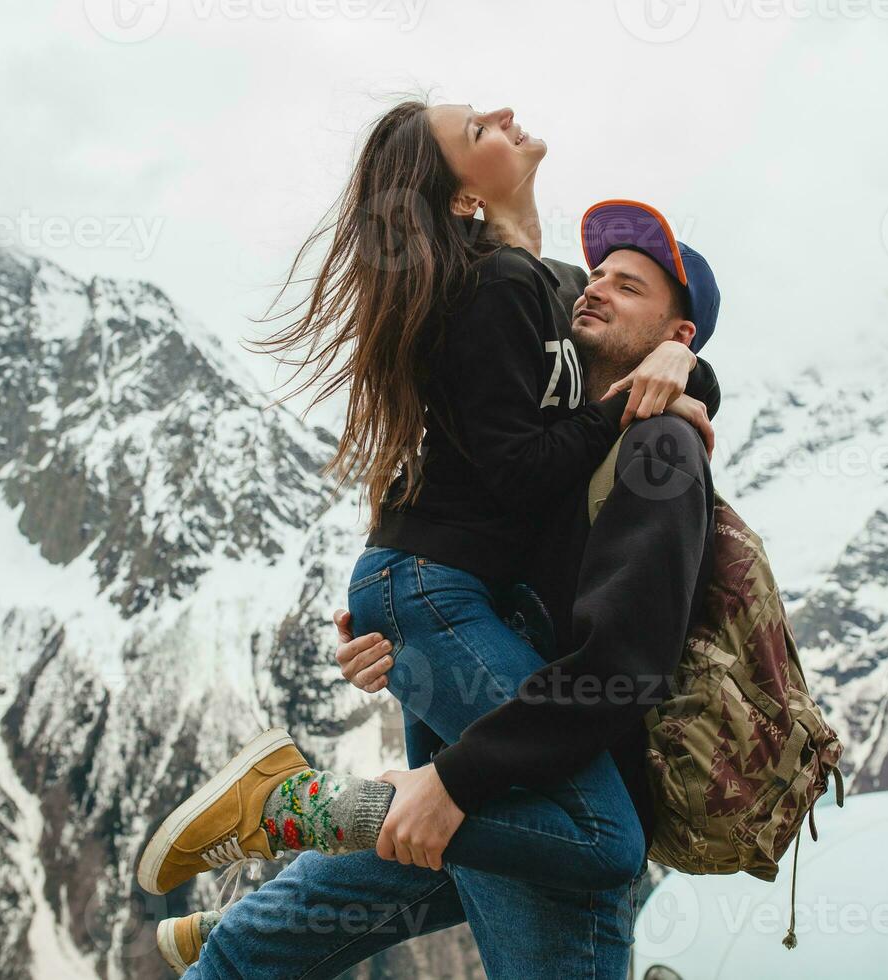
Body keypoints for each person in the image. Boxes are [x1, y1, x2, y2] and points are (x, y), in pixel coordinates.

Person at [134, 95, 718, 976]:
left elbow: (496, 455)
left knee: (441, 848)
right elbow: (498, 464)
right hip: (451, 603)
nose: (595, 288)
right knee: (593, 843)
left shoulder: (569, 321)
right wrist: (406, 621)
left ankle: (239, 945)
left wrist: (689, 368)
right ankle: (301, 811)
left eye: (624, 285)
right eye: (598, 278)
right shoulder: (514, 295)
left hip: (458, 605)